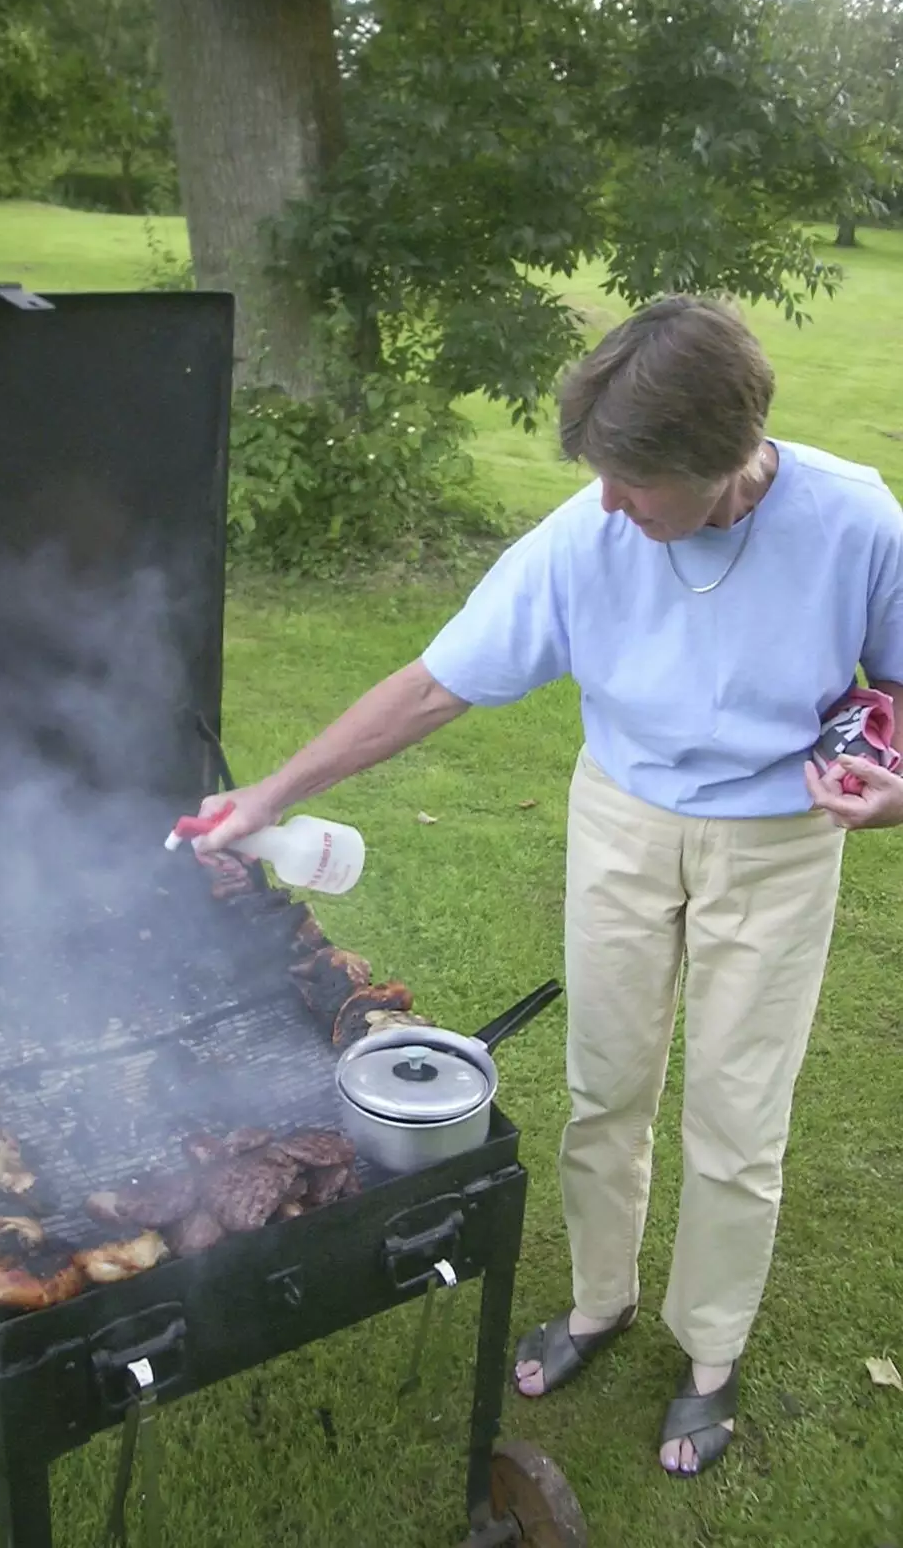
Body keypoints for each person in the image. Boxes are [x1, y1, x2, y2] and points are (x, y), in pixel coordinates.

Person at [193, 296, 903, 1476]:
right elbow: (433, 686)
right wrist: (268, 793)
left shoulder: (858, 520)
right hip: (622, 822)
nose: (611, 503)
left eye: (635, 481)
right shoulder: (588, 535)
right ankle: (598, 1299)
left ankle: (711, 1350)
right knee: (604, 1084)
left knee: (738, 1116)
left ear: (722, 459)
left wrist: (892, 781)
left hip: (777, 844)